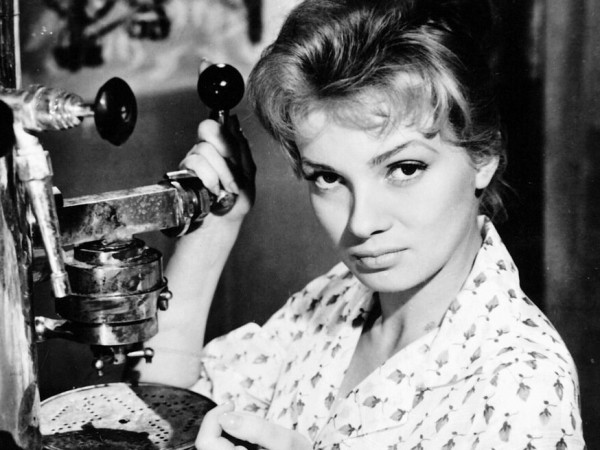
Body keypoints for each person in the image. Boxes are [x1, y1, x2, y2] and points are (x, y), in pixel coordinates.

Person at [138, 0, 586, 448]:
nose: (362, 222)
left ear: (483, 156)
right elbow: (160, 413)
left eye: (404, 169)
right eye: (328, 178)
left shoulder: (521, 384)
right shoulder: (333, 301)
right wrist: (214, 229)